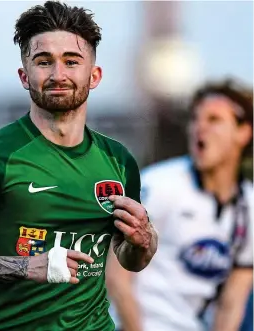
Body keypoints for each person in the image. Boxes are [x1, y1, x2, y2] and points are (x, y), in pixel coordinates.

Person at [0, 2, 158, 330]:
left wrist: (144, 240)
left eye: (71, 61)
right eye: (44, 61)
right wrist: (28, 267)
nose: (58, 74)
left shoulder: (120, 161)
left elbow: (129, 260)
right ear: (25, 76)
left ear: (94, 75)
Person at [107, 79, 253, 331]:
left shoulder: (249, 208)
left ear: (243, 132)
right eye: (196, 119)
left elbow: (232, 301)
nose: (200, 127)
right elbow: (116, 276)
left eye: (214, 120)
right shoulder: (160, 184)